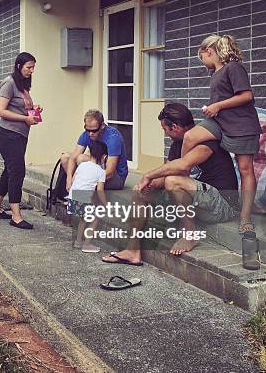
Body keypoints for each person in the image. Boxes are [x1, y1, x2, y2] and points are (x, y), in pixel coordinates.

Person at [101, 102, 238, 263]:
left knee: (173, 181)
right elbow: (168, 169)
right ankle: (133, 250)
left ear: (174, 127)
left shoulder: (205, 141)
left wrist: (149, 175)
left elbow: (183, 165)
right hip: (199, 202)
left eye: (165, 129)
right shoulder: (177, 145)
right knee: (143, 191)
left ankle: (190, 235)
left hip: (223, 205)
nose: (165, 133)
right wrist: (148, 183)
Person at [181, 34, 262, 234]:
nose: (203, 63)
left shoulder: (233, 67)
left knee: (245, 170)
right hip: (220, 121)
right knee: (190, 137)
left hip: (241, 124)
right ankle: (183, 175)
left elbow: (246, 95)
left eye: (202, 58)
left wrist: (217, 105)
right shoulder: (215, 72)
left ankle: (245, 216)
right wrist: (213, 109)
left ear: (208, 51)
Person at [0, 52, 40, 230]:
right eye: (28, 67)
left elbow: (21, 109)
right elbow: (0, 111)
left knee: (11, 169)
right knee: (18, 171)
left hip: (19, 134)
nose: (31, 71)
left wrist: (33, 111)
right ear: (19, 66)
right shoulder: (9, 83)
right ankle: (16, 216)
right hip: (7, 133)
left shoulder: (23, 85)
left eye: (33, 67)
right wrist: (24, 119)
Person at [61, 109, 128, 193]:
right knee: (65, 158)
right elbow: (73, 158)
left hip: (116, 177)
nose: (90, 134)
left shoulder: (113, 137)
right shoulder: (87, 134)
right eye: (87, 129)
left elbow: (110, 171)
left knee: (81, 159)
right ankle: (77, 190)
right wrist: (69, 179)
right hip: (98, 170)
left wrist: (86, 179)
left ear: (102, 125)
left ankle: (81, 191)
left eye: (94, 130)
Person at [67, 140, 108, 253]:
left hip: (73, 196)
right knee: (95, 218)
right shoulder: (101, 171)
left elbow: (74, 180)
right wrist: (106, 204)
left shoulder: (82, 165)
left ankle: (78, 241)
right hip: (83, 197)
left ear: (90, 154)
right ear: (104, 157)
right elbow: (100, 190)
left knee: (83, 219)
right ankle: (87, 244)